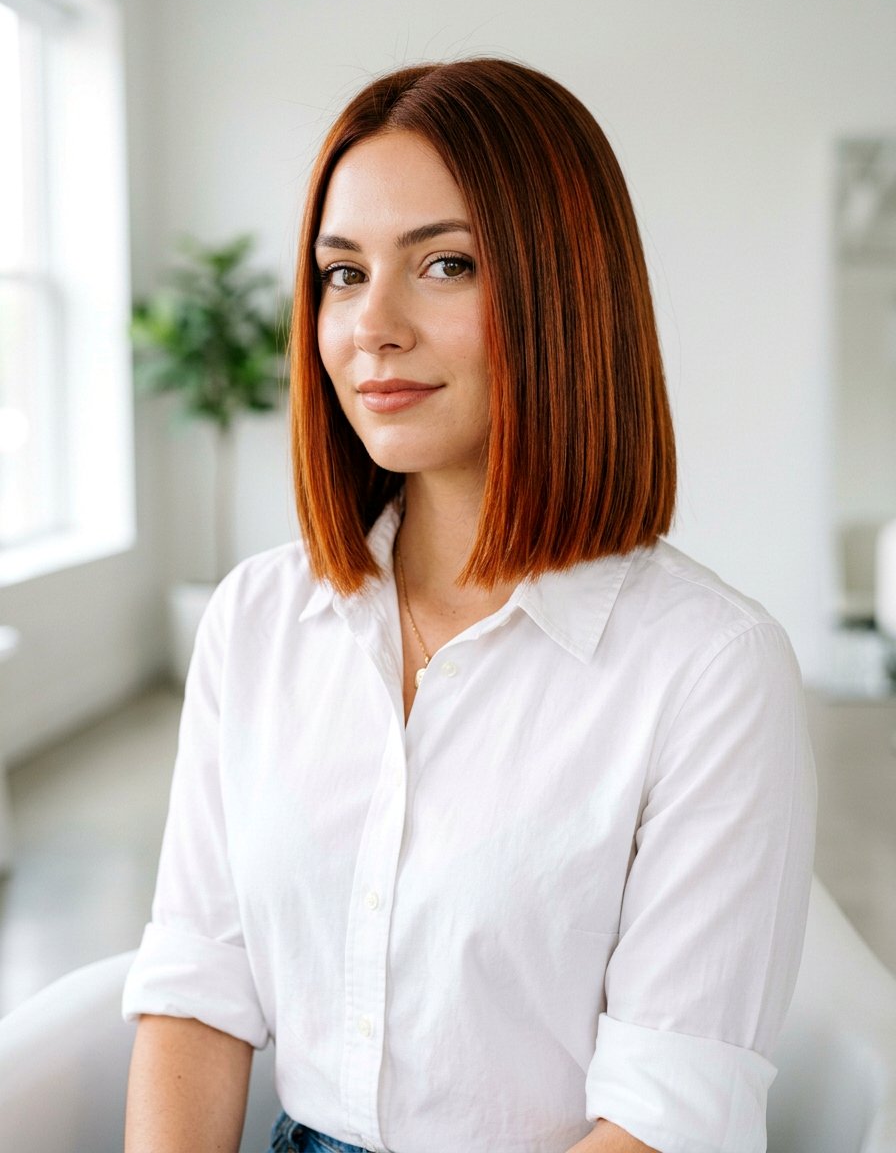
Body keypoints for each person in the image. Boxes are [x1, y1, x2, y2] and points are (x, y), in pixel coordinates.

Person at [122, 58, 816, 1153]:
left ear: (566, 293)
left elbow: (665, 1118)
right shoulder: (254, 619)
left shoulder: (709, 667)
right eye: (341, 274)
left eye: (444, 264)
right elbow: (198, 990)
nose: (372, 328)